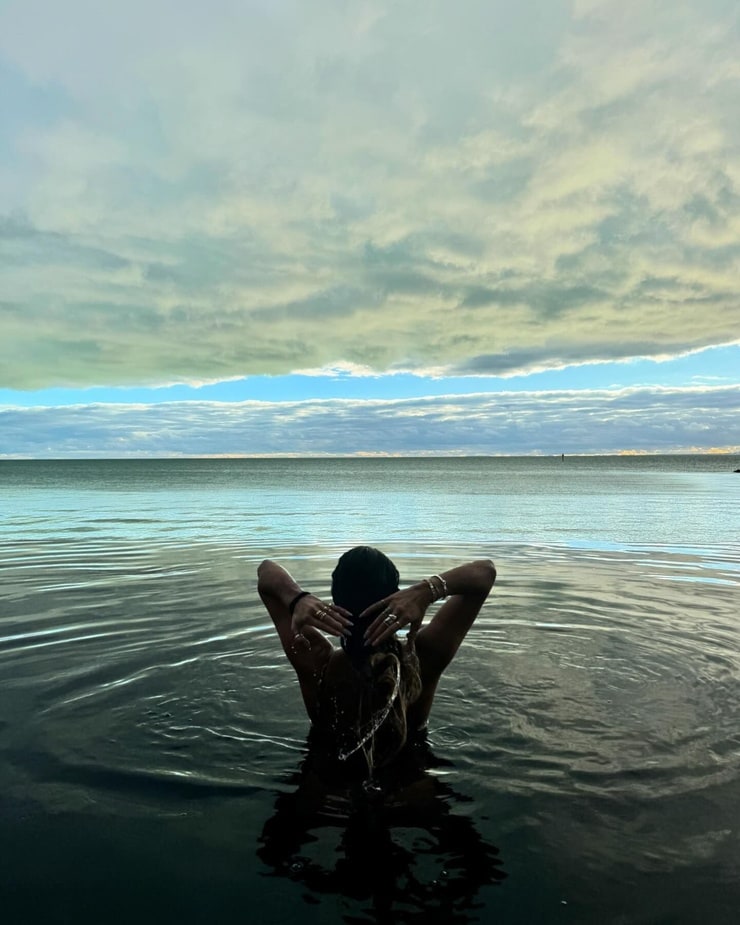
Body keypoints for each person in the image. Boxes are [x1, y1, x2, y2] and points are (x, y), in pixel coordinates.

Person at [257, 548, 496, 772]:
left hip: (329, 782)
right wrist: (425, 591)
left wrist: (297, 598)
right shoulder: (422, 657)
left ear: (334, 599)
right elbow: (485, 573)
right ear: (396, 598)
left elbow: (266, 572)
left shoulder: (314, 657)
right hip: (409, 785)